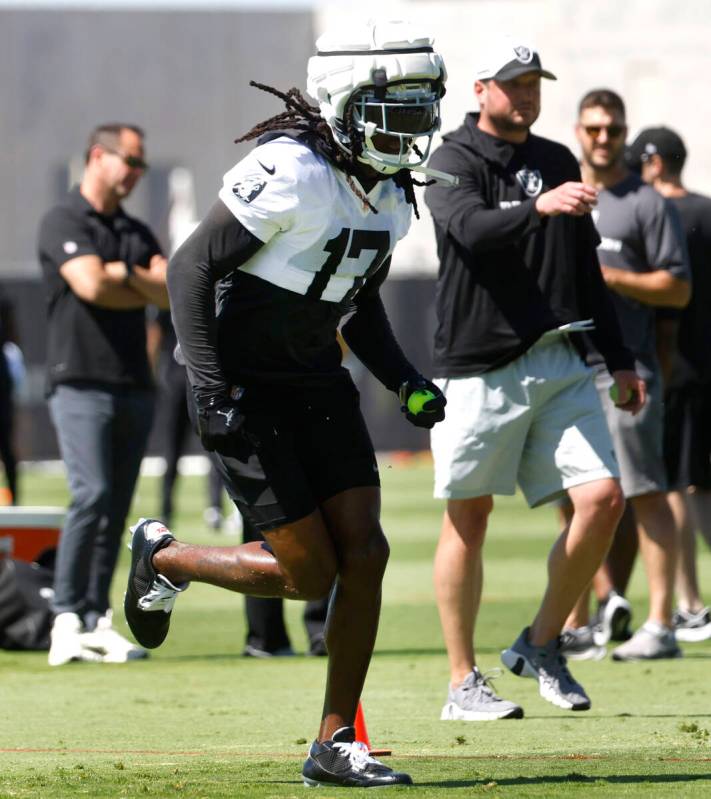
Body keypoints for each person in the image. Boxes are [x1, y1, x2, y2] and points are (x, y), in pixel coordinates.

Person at [123, 20, 447, 788]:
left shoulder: (393, 193)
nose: (412, 129)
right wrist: (210, 385)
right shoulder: (289, 169)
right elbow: (191, 271)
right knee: (306, 573)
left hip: (314, 378)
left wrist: (404, 377)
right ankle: (164, 558)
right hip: (244, 382)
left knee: (365, 553)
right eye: (394, 110)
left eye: (419, 110)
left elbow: (358, 303)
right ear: (346, 104)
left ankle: (335, 740)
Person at [424, 38, 644, 721]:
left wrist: (620, 359)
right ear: (480, 89)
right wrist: (539, 208)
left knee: (604, 498)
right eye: (513, 84)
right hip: (479, 366)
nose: (526, 94)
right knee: (469, 516)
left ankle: (540, 642)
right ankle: (463, 681)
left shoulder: (554, 158)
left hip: (560, 358)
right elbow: (467, 230)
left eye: (533, 84)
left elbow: (585, 276)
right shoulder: (449, 160)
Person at [560, 92, 691, 662]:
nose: (604, 138)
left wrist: (609, 277)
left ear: (624, 132)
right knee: (573, 500)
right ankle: (576, 624)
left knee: (646, 492)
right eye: (594, 128)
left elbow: (678, 288)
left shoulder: (645, 202)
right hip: (563, 369)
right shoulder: (565, 194)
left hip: (625, 371)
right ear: (579, 131)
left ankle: (662, 623)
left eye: (613, 128)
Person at [37, 123, 169, 666]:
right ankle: (65, 618)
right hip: (79, 382)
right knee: (90, 495)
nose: (137, 172)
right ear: (99, 155)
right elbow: (89, 284)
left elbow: (169, 288)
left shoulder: (137, 231)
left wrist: (125, 275)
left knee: (114, 508)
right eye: (130, 160)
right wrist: (130, 278)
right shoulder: (62, 219)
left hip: (134, 383)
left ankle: (95, 617)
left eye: (142, 164)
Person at [628, 126, 711, 643]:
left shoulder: (657, 214)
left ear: (656, 164)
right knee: (701, 484)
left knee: (675, 482)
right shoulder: (708, 210)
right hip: (707, 363)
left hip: (674, 363)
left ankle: (690, 603)